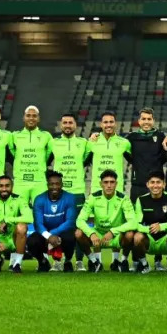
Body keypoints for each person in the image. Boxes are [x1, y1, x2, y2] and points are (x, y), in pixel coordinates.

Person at [74, 169, 137, 273]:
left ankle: (121, 261)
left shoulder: (124, 199)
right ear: (100, 184)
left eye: (112, 182)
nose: (109, 185)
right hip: (98, 235)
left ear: (116, 184)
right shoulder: (93, 197)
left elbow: (133, 222)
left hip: (116, 236)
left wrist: (113, 231)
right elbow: (79, 220)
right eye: (106, 182)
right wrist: (91, 233)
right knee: (78, 233)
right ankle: (95, 261)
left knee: (130, 234)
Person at [51, 113, 92, 271]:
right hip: (58, 193)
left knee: (78, 228)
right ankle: (57, 261)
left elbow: (88, 158)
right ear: (61, 125)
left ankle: (79, 261)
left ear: (76, 125)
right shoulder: (53, 143)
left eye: (70, 123)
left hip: (77, 192)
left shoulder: (84, 143)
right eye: (65, 123)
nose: (67, 125)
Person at [131, 171, 167, 274]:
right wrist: (150, 229)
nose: (155, 185)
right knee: (137, 237)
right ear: (147, 184)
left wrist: (161, 227)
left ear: (164, 184)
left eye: (158, 182)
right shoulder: (141, 200)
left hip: (166, 240)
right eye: (152, 182)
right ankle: (145, 264)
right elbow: (136, 224)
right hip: (149, 240)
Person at [0, 175, 33, 274]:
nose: (4, 189)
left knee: (22, 227)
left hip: (13, 239)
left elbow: (29, 218)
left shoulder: (19, 200)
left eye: (7, 186)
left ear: (12, 187)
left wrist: (8, 220)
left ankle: (17, 264)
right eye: (1, 186)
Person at [27, 171, 78, 273]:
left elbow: (70, 222)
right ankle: (42, 261)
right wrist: (48, 236)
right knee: (31, 241)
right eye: (52, 184)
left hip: (63, 233)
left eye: (57, 184)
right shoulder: (39, 199)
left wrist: (53, 234)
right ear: (47, 185)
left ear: (62, 185)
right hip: (45, 234)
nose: (54, 187)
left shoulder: (70, 198)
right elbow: (38, 223)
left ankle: (67, 261)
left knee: (71, 237)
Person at [10, 105, 53, 202]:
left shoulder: (46, 136)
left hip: (39, 182)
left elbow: (49, 155)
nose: (31, 118)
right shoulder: (14, 135)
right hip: (20, 182)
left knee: (40, 213)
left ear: (38, 119)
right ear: (23, 118)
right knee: (17, 212)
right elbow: (12, 154)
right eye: (28, 115)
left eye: (34, 116)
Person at [124, 107, 166, 202]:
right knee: (136, 214)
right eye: (143, 119)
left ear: (153, 121)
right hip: (137, 185)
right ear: (139, 121)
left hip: (156, 186)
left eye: (149, 119)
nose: (146, 122)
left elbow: (164, 157)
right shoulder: (131, 137)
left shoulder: (161, 136)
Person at [88, 111, 132, 188]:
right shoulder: (92, 141)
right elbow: (83, 162)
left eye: (111, 122)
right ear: (101, 124)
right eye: (105, 122)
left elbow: (135, 160)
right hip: (97, 188)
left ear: (115, 124)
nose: (108, 125)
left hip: (117, 188)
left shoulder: (124, 143)